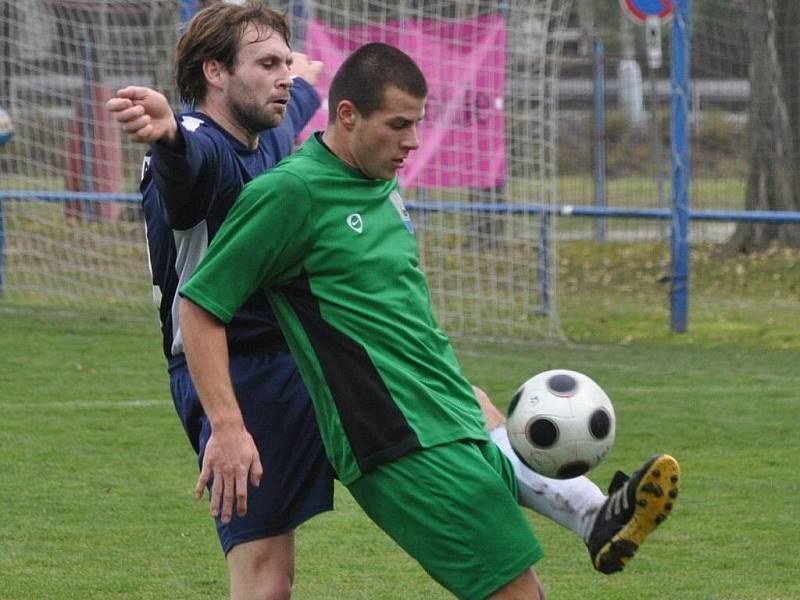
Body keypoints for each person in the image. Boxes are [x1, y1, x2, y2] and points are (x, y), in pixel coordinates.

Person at [178, 42, 681, 599]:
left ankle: (595, 516)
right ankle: (595, 516)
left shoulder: (380, 182)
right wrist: (227, 427)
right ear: (347, 116)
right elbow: (200, 305)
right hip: (395, 438)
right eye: (397, 125)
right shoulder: (290, 193)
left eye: (418, 124)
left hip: (448, 417)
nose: (412, 143)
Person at [105, 4, 333, 599]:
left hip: (295, 356)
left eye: (285, 61)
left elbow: (298, 97)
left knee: (455, 412)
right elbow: (186, 160)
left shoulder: (270, 125)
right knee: (266, 579)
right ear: (215, 72)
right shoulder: (198, 149)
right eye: (266, 63)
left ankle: (576, 506)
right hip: (230, 376)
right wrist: (169, 134)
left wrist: (299, 69)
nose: (282, 75)